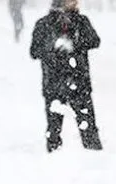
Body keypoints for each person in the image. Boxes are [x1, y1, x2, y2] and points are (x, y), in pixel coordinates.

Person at [30, 0, 103, 153]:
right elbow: (34, 51)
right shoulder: (44, 24)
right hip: (54, 85)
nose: (76, 3)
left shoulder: (81, 22)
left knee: (88, 127)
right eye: (72, 1)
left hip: (79, 83)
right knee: (54, 130)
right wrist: (53, 48)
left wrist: (75, 44)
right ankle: (54, 161)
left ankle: (96, 161)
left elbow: (95, 41)